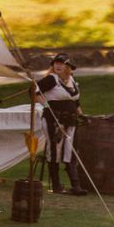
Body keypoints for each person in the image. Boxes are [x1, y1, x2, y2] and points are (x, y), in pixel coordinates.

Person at [32, 53, 88, 195]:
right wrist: (46, 105)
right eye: (56, 63)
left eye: (62, 63)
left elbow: (75, 102)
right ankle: (56, 186)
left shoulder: (72, 81)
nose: (58, 65)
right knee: (54, 151)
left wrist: (82, 115)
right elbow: (33, 91)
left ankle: (76, 186)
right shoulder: (52, 79)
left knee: (71, 150)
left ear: (68, 66)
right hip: (54, 119)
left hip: (71, 120)